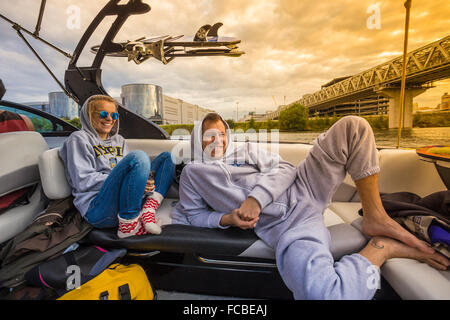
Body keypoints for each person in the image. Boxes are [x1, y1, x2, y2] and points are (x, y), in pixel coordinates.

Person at [171, 112, 449, 299]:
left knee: (354, 126)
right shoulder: (194, 173)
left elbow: (284, 168)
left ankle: (375, 216)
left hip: (306, 183)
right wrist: (228, 219)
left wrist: (256, 199)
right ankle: (382, 248)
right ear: (198, 138)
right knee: (322, 294)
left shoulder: (245, 149)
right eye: (209, 135)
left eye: (221, 134)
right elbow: (193, 214)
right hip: (289, 224)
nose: (217, 141)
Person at [59, 95, 175, 238]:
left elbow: (128, 173)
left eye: (113, 115)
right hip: (98, 208)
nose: (109, 119)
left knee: (168, 158)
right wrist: (133, 182)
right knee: (138, 157)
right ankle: (128, 226)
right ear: (89, 116)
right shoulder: (78, 139)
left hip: (123, 198)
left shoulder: (119, 140)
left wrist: (140, 183)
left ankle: (148, 210)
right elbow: (83, 181)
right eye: (103, 114)